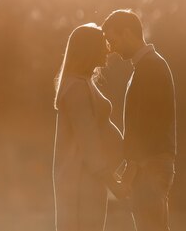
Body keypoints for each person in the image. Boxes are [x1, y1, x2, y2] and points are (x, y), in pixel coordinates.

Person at [102, 9, 176, 231]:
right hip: (149, 165)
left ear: (126, 33)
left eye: (111, 39)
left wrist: (130, 172)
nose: (110, 48)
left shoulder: (151, 67)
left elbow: (148, 126)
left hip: (150, 166)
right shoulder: (145, 66)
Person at [53, 23, 126, 231]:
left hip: (90, 178)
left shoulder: (84, 82)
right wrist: (113, 183)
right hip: (81, 181)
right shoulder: (76, 86)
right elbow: (88, 140)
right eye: (102, 44)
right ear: (89, 49)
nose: (108, 49)